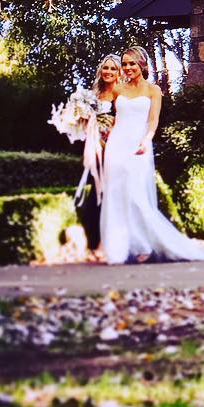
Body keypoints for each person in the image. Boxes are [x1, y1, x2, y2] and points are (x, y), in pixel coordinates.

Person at [100, 46, 204, 265]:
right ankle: (121, 247)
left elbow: (153, 119)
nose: (127, 68)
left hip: (139, 145)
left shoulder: (153, 90)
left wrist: (147, 138)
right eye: (124, 64)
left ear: (142, 65)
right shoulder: (117, 89)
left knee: (138, 197)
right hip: (116, 146)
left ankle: (146, 244)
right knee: (116, 196)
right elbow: (106, 116)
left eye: (132, 63)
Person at [75, 54, 120, 260]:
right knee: (94, 198)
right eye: (106, 68)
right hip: (94, 150)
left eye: (113, 69)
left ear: (118, 72)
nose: (108, 72)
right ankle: (94, 244)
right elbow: (85, 124)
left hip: (114, 151)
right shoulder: (93, 95)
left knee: (109, 197)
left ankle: (106, 244)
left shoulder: (121, 96)